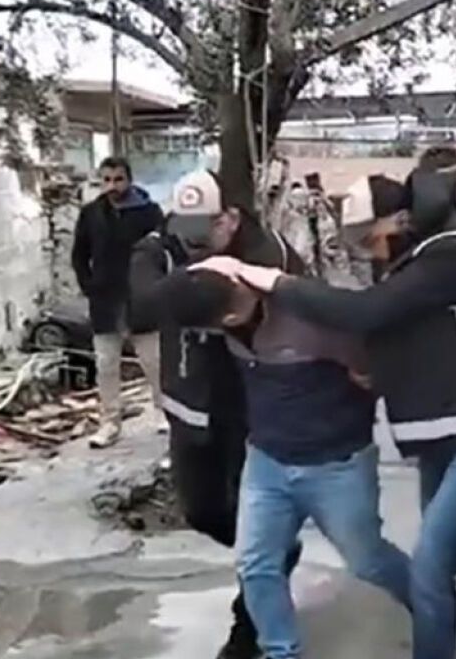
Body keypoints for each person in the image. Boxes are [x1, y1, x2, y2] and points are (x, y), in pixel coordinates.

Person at [198, 147, 456, 659]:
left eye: (370, 240)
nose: (368, 253)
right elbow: (416, 331)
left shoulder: (454, 252)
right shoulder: (419, 251)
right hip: (448, 421)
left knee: (430, 563)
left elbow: (367, 312)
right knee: (447, 540)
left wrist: (274, 281)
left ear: (402, 219)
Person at [158, 245, 411, 659]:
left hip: (336, 464)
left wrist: (357, 391)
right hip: (267, 461)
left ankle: (431, 602)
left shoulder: (306, 317)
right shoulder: (215, 310)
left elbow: (367, 364)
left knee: (368, 560)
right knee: (256, 565)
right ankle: (280, 651)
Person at [128, 169, 288, 659]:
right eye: (187, 227)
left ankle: (250, 623)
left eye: (208, 227)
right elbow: (143, 308)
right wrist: (203, 275)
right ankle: (275, 556)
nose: (196, 239)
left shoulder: (265, 250)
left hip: (251, 409)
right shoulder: (157, 250)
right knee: (202, 511)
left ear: (231, 218)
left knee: (255, 523)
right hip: (189, 406)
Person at [71, 156, 164, 448]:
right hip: (105, 300)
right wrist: (89, 287)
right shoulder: (91, 214)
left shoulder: (149, 213)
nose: (112, 186)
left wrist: (156, 288)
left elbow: (164, 252)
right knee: (106, 364)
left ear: (129, 180)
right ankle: (110, 422)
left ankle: (163, 412)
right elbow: (79, 255)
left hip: (142, 299)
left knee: (154, 362)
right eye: (107, 180)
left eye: (119, 179)